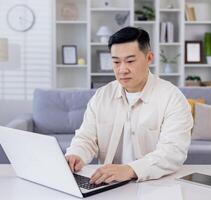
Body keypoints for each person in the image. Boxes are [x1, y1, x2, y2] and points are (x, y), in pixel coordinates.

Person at [65, 26, 193, 184]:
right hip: (108, 184)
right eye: (116, 62)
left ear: (149, 58)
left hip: (154, 184)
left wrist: (131, 170)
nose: (122, 69)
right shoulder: (102, 96)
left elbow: (173, 152)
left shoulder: (172, 98)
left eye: (130, 61)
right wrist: (76, 154)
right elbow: (86, 138)